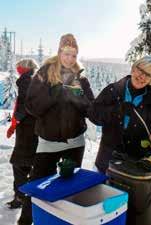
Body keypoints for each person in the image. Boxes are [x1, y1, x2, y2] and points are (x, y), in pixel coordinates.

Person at [17, 33, 94, 225]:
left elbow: (90, 107)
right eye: (67, 53)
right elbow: (32, 106)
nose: (70, 59)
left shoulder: (80, 78)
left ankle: (62, 220)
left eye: (74, 55)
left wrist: (79, 99)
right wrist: (55, 92)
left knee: (70, 187)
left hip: (75, 143)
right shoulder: (44, 73)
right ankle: (25, 221)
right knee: (37, 185)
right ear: (59, 52)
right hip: (49, 142)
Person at [88, 56, 151, 173]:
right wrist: (116, 110)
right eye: (141, 71)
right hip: (107, 160)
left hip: (134, 163)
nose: (142, 77)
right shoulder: (113, 90)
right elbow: (93, 115)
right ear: (133, 69)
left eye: (148, 75)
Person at [6, 59, 38, 209]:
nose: (17, 68)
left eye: (19, 66)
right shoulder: (33, 80)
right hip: (33, 129)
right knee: (27, 163)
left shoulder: (26, 80)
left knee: (19, 163)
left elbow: (25, 104)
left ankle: (21, 197)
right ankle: (26, 196)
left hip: (27, 129)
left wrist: (16, 121)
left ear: (25, 68)